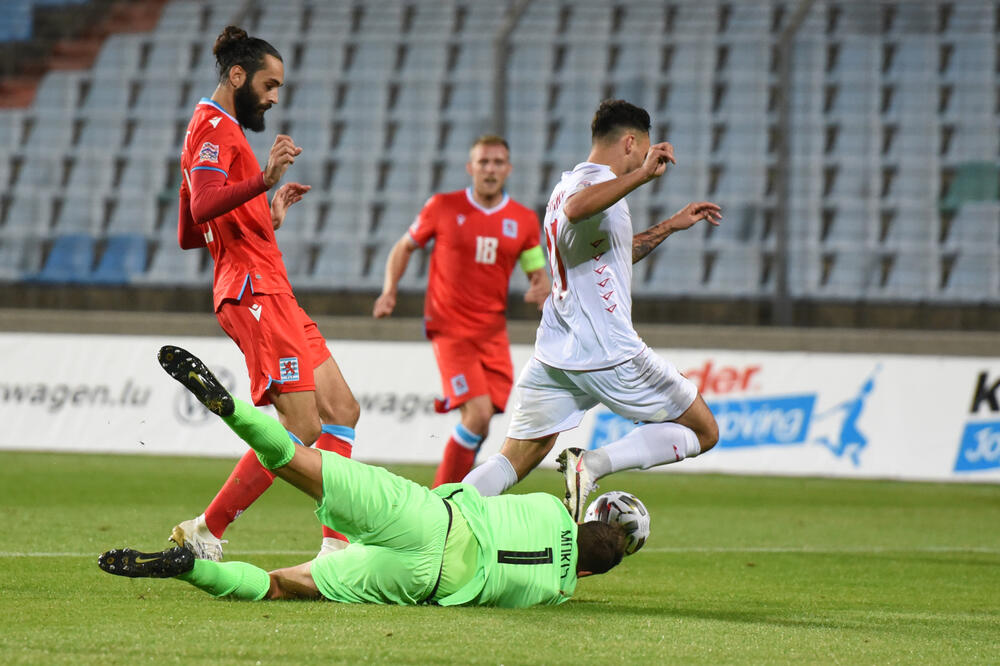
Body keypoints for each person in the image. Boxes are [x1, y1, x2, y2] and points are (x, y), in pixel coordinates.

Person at [97, 346, 627, 609]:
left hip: (427, 517)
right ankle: (191, 569)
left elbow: (477, 487)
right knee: (284, 586)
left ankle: (230, 406)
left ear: (582, 521)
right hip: (429, 581)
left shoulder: (549, 510)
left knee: (299, 463)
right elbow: (562, 572)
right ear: (583, 576)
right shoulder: (555, 593)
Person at [462, 100, 723, 520]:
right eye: (644, 151)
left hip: (557, 353)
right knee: (704, 430)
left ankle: (439, 511)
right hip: (608, 351)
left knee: (515, 458)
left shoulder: (570, 183)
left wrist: (670, 226)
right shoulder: (588, 188)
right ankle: (593, 465)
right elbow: (576, 209)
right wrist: (641, 176)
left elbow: (607, 254)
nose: (645, 159)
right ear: (631, 143)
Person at [173, 26, 360, 560]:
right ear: (238, 76)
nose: (275, 97)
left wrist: (265, 216)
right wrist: (263, 177)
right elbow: (206, 205)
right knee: (301, 425)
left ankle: (337, 546)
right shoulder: (212, 130)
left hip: (272, 285)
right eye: (269, 84)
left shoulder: (214, 132)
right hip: (254, 292)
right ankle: (208, 529)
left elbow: (191, 231)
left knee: (342, 409)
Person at [373, 136, 550, 487]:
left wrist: (541, 288)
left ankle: (457, 494)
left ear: (508, 170)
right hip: (450, 328)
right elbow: (404, 246)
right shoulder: (443, 206)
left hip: (493, 333)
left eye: (498, 162)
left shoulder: (523, 220)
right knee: (478, 416)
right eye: (483, 162)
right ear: (470, 168)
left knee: (482, 421)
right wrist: (389, 290)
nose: (490, 169)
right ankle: (439, 502)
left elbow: (536, 271)